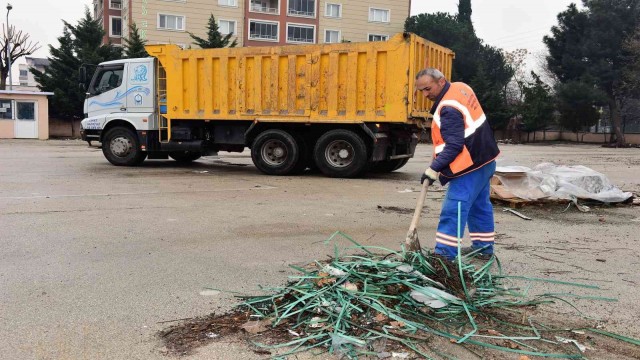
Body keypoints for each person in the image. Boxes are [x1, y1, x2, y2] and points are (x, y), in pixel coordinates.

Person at [415, 68, 500, 260]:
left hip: (469, 166)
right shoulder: (461, 87)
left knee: (454, 209)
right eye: (421, 91)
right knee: (479, 206)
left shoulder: (448, 108)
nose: (426, 94)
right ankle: (484, 248)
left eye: (428, 89)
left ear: (441, 81)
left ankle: (445, 256)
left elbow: (454, 145)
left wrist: (433, 169)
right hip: (485, 159)